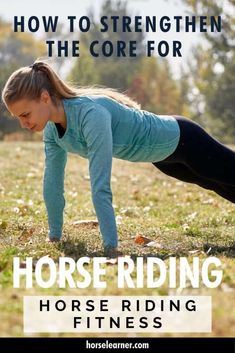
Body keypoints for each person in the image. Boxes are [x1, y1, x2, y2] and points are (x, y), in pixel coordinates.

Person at [2, 61, 235, 258]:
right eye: (18, 117)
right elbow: (52, 183)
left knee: (225, 177)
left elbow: (100, 184)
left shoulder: (91, 115)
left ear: (44, 97)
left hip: (183, 137)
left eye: (25, 114)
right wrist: (54, 235)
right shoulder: (52, 132)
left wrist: (111, 246)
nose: (23, 124)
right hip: (162, 158)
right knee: (215, 183)